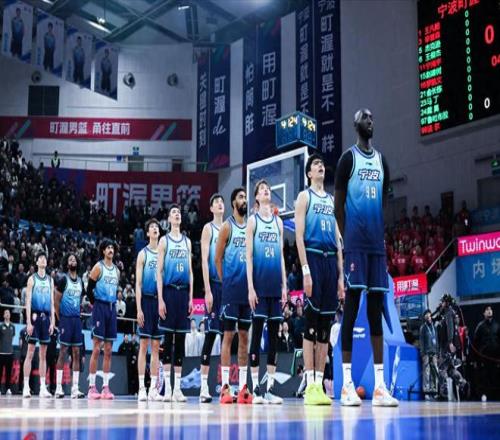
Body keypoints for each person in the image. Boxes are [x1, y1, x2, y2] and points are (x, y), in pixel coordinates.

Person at [335, 108, 398, 407]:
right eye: (365, 118)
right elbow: (338, 206)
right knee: (351, 309)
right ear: (355, 124)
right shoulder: (348, 159)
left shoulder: (383, 160)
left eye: (373, 117)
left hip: (376, 247)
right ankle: (347, 384)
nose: (371, 121)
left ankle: (380, 386)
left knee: (375, 312)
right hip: (355, 246)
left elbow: (384, 201)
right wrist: (348, 238)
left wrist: (376, 231)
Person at [294, 154, 344, 406]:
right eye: (315, 164)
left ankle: (320, 384)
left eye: (322, 164)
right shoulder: (304, 197)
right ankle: (310, 384)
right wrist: (305, 270)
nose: (320, 166)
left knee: (325, 327)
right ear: (309, 173)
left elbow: (338, 240)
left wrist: (341, 277)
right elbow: (299, 236)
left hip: (330, 262)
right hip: (313, 257)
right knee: (311, 325)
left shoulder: (331, 200)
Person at [247, 180, 287, 404]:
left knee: (274, 338)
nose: (266, 190)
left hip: (274, 286)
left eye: (268, 188)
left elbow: (281, 256)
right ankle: (255, 390)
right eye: (262, 189)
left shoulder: (278, 222)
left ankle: (269, 388)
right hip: (259, 286)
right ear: (256, 197)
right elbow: (249, 257)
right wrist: (250, 288)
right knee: (256, 336)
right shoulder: (253, 221)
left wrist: (285, 285)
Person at [215, 187, 252, 404]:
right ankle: (225, 387)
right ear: (233, 203)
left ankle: (243, 387)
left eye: (245, 197)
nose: (244, 200)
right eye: (240, 197)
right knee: (228, 336)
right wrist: (226, 280)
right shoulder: (227, 227)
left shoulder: (251, 226)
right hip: (231, 290)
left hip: (247, 291)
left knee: (244, 337)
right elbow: (217, 258)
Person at [157, 205, 193, 402]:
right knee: (168, 339)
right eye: (173, 213)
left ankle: (177, 389)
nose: (177, 214)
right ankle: (167, 389)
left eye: (179, 212)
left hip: (183, 293)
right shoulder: (164, 241)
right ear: (169, 220)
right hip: (169, 292)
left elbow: (190, 272)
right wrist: (161, 299)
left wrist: (191, 298)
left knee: (180, 342)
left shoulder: (187, 242)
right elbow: (159, 272)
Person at [198, 193, 225, 403]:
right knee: (210, 335)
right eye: (216, 202)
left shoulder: (229, 227)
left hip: (229, 287)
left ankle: (226, 386)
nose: (220, 204)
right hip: (214, 286)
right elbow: (205, 261)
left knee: (228, 336)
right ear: (211, 208)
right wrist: (207, 290)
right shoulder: (208, 229)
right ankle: (204, 387)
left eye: (221, 201)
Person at [86, 239, 120, 400]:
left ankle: (106, 387)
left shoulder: (117, 271)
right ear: (103, 251)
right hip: (100, 307)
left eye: (112, 247)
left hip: (112, 308)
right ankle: (92, 387)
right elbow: (89, 289)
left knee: (108, 350)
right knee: (96, 348)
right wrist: (95, 304)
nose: (110, 250)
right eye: (108, 248)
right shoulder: (98, 267)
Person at [136, 218, 162, 401]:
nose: (155, 228)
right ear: (147, 233)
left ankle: (153, 388)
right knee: (144, 345)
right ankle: (141, 388)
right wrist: (139, 309)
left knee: (156, 346)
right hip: (146, 301)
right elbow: (138, 284)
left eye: (156, 227)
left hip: (159, 302)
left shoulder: (163, 252)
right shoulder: (143, 254)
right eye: (151, 227)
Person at [23, 252, 55, 398]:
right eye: (40, 258)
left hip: (46, 318)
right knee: (30, 353)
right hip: (34, 317)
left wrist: (53, 321)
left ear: (46, 263)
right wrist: (28, 322)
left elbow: (52, 303)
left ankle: (43, 387)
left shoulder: (50, 280)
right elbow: (28, 301)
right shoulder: (32, 279)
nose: (43, 260)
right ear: (36, 263)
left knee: (43, 355)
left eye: (44, 258)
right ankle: (26, 387)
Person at [54, 253, 85, 399]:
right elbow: (56, 301)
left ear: (77, 263)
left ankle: (75, 388)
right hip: (65, 319)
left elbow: (80, 300)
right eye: (70, 259)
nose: (72, 261)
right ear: (67, 264)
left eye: (74, 259)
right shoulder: (63, 280)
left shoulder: (81, 281)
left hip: (76, 320)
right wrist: (60, 319)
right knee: (63, 351)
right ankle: (58, 388)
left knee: (77, 353)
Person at [473, 305, 500, 401]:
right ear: (484, 313)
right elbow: (475, 343)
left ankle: (495, 396)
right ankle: (484, 395)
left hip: (495, 358)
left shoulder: (497, 326)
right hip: (484, 358)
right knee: (484, 377)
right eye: (487, 310)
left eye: (490, 309)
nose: (489, 311)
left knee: (495, 377)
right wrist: (475, 359)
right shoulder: (480, 326)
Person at [419, 310, 438, 399]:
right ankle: (426, 391)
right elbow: (421, 342)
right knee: (426, 373)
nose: (429, 318)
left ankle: (434, 391)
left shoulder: (434, 327)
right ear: (425, 318)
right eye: (427, 316)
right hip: (426, 353)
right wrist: (422, 353)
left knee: (434, 372)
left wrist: (437, 352)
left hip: (434, 353)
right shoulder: (423, 328)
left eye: (430, 316)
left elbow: (437, 340)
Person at [0, 310, 15, 395]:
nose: (7, 314)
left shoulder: (13, 326)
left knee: (8, 373)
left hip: (10, 353)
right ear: (3, 315)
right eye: (6, 313)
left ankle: (8, 388)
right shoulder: (1, 326)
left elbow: (12, 336)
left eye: (8, 313)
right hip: (1, 353)